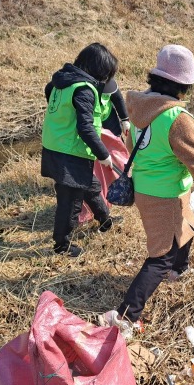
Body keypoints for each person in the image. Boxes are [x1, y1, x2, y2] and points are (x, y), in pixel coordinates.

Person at [101, 44, 194, 334]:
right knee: (160, 257)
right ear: (183, 84)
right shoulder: (177, 118)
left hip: (148, 189)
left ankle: (179, 268)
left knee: (187, 224)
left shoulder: (140, 107)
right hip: (165, 195)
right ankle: (126, 315)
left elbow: (132, 146)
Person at [41, 42, 121, 257]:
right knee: (70, 202)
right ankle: (62, 246)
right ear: (98, 69)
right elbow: (85, 127)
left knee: (91, 187)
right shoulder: (84, 89)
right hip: (69, 153)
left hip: (55, 147)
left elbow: (48, 93)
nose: (104, 80)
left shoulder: (61, 81)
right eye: (105, 74)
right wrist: (103, 154)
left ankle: (105, 220)